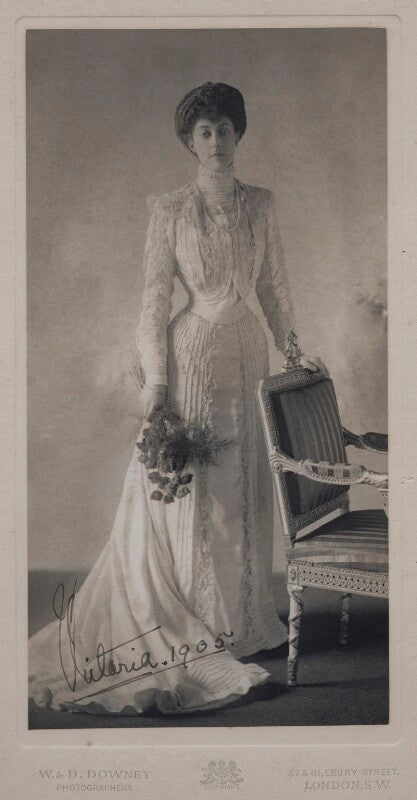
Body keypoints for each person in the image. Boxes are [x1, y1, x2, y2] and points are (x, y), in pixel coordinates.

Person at [28, 82, 325, 716]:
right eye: (204, 133)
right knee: (200, 488)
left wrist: (293, 349)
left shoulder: (261, 205)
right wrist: (157, 384)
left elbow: (274, 288)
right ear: (190, 143)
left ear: (239, 134)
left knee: (245, 484)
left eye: (224, 129)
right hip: (192, 357)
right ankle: (198, 618)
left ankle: (246, 620)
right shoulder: (170, 210)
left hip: (249, 354)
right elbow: (153, 302)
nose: (216, 141)